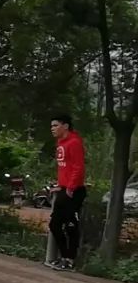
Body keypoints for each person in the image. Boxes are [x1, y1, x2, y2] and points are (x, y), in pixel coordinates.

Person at [47, 114, 86, 271]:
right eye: (52, 126)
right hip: (64, 189)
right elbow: (64, 168)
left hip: (74, 191)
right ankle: (63, 257)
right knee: (55, 224)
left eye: (55, 125)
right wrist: (60, 185)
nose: (52, 129)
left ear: (66, 126)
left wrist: (70, 187)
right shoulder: (60, 143)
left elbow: (78, 167)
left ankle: (70, 260)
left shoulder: (74, 142)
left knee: (71, 226)